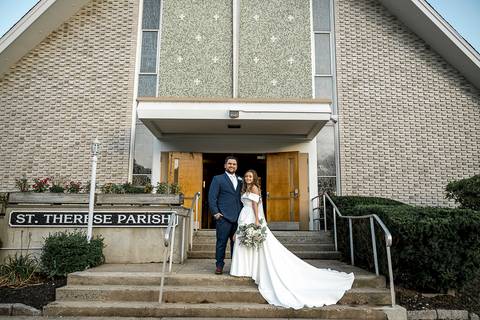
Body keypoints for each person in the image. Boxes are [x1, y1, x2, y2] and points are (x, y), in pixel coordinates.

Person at [230, 169, 355, 309]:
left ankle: (248, 269)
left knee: (252, 244)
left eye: (250, 176)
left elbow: (255, 205)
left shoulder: (254, 187)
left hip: (251, 217)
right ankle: (245, 269)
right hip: (244, 217)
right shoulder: (245, 188)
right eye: (246, 176)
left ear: (254, 178)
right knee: (245, 243)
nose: (247, 178)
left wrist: (257, 222)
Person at [208, 156, 243, 274]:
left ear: (236, 166)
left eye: (234, 164)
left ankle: (235, 266)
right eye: (230, 164)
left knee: (237, 244)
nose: (232, 166)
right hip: (223, 218)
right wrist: (216, 213)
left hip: (238, 218)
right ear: (225, 165)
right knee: (221, 243)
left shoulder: (241, 180)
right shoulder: (218, 179)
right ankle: (219, 265)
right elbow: (212, 197)